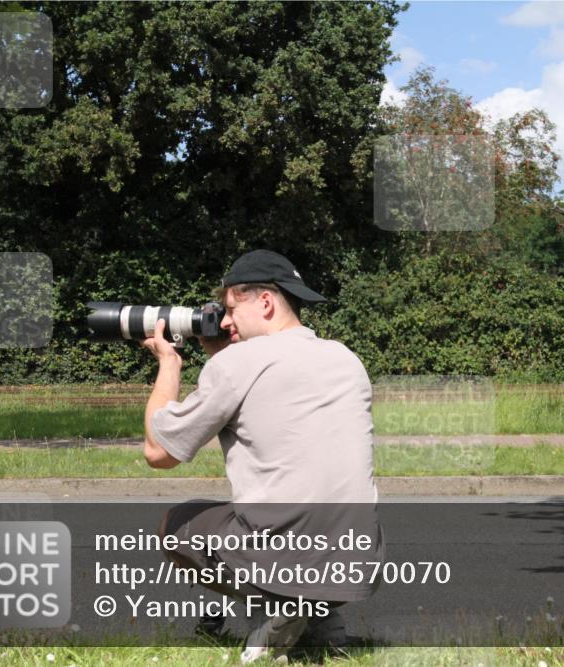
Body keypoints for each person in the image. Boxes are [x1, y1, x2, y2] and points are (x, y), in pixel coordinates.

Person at [140, 249, 382, 663]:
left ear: (265, 302)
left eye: (232, 308)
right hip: (359, 559)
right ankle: (323, 622)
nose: (227, 320)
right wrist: (222, 355)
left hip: (287, 557)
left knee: (175, 525)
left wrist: (169, 363)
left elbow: (159, 452)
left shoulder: (237, 364)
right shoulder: (346, 359)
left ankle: (276, 613)